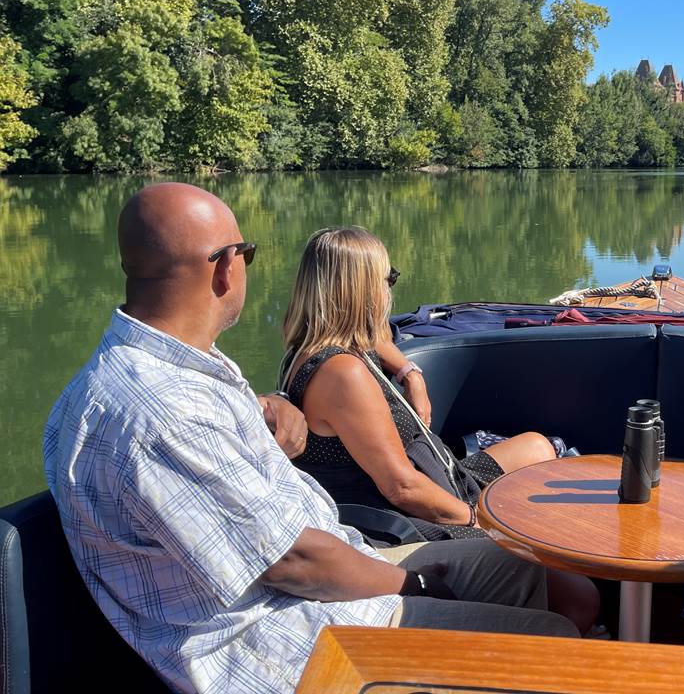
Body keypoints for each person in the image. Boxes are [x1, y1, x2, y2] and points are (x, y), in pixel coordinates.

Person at [43, 183, 576, 694]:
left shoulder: (165, 373)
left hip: (328, 570)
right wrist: (413, 587)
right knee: (555, 643)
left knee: (519, 569)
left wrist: (267, 411)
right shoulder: (161, 411)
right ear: (226, 267)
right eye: (246, 253)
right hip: (287, 640)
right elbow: (294, 563)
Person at [278, 226, 600, 634]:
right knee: (581, 598)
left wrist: (410, 372)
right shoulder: (343, 374)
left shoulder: (319, 348)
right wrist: (478, 520)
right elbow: (403, 489)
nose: (390, 287)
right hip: (408, 518)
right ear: (361, 290)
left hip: (443, 475)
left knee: (536, 447)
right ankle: (551, 639)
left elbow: (378, 338)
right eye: (387, 277)